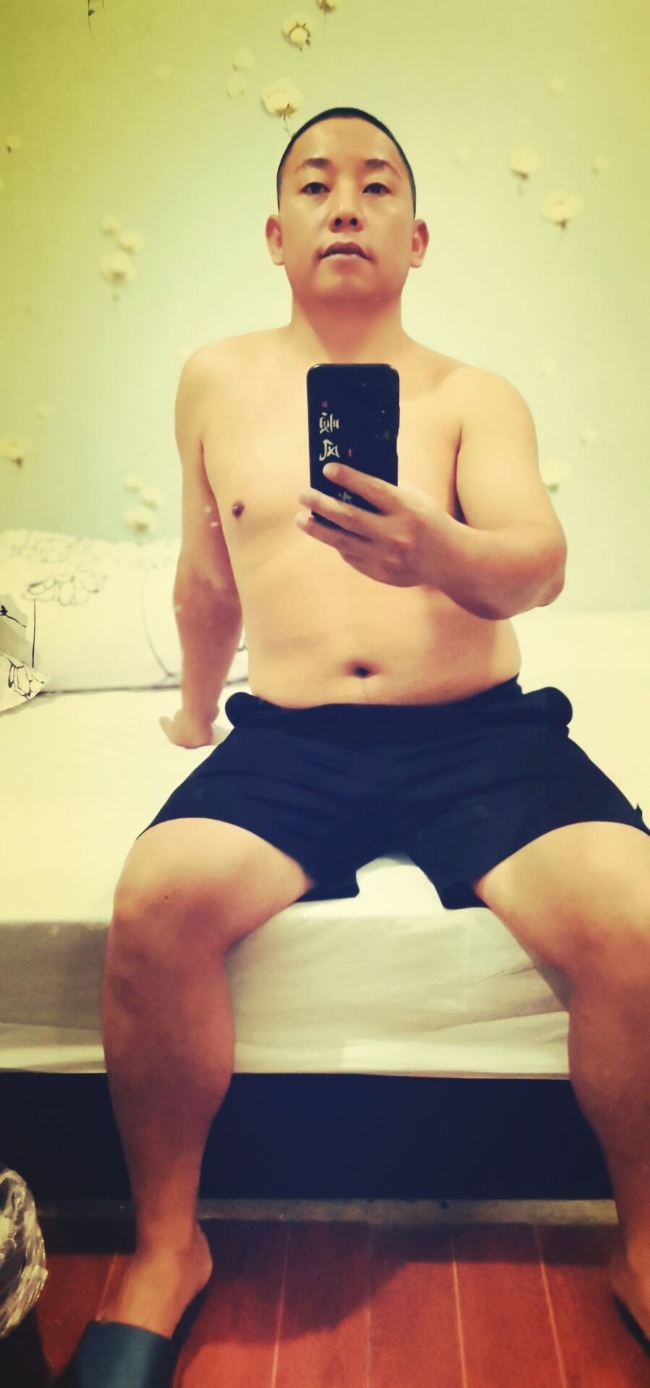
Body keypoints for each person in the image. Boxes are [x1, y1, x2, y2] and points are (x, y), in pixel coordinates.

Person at [63, 107, 650, 1384]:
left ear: (415, 237)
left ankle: (644, 1243)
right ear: (274, 235)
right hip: (294, 739)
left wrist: (438, 550)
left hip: (475, 731)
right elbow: (204, 576)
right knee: (155, 902)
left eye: (376, 184)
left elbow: (537, 566)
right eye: (315, 184)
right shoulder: (214, 381)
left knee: (637, 913)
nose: (344, 201)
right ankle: (165, 1247)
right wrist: (194, 712)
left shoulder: (471, 395)